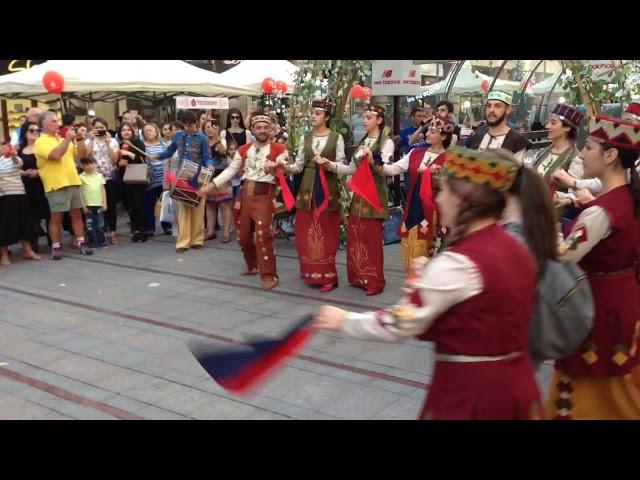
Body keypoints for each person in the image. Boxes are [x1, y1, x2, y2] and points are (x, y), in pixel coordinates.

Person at [313, 146, 542, 419]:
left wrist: (342, 320)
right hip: (518, 387)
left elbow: (401, 322)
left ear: (462, 200)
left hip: (470, 395)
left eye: (443, 190)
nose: (438, 198)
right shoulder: (517, 246)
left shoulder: (459, 262)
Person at [545, 116, 640, 420]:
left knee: (588, 392)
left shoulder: (600, 211)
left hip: (598, 310)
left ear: (610, 156)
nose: (582, 153)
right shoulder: (627, 199)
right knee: (618, 386)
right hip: (622, 303)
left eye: (588, 147)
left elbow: (561, 257)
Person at [199, 113, 287, 290]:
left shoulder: (278, 148)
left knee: (263, 234)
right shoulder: (243, 149)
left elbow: (284, 161)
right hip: (245, 193)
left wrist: (278, 163)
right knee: (243, 235)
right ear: (252, 130)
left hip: (265, 194)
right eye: (258, 127)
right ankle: (252, 263)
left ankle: (269, 274)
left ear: (271, 130)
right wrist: (212, 185)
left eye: (265, 127)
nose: (262, 130)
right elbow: (231, 170)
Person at [274, 98, 346, 292]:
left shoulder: (336, 137)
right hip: (306, 189)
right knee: (305, 233)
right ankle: (309, 271)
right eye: (313, 113)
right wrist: (284, 167)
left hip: (327, 189)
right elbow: (298, 166)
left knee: (327, 232)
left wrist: (329, 165)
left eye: (318, 113)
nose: (313, 116)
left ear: (327, 116)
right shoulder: (306, 138)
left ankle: (328, 275)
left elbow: (341, 164)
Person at [322, 104, 395, 296]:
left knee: (371, 239)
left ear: (379, 120)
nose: (365, 120)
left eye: (369, 117)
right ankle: (357, 276)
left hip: (373, 195)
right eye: (364, 117)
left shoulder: (386, 142)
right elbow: (352, 169)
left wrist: (373, 159)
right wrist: (332, 166)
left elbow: (384, 166)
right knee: (356, 237)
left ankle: (374, 280)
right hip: (359, 196)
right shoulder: (363, 141)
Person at [382, 117, 453, 272]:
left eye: (432, 131)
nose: (427, 133)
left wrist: (435, 177)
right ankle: (414, 281)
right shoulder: (416, 152)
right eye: (428, 130)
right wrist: (378, 165)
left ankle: (423, 282)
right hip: (413, 206)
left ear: (443, 136)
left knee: (426, 248)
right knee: (410, 245)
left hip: (433, 210)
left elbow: (451, 186)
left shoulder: (450, 159)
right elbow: (394, 169)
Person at [34, 110, 93, 259]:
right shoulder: (40, 142)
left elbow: (82, 154)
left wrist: (79, 139)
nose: (57, 123)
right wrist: (67, 140)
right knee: (56, 217)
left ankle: (81, 242)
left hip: (72, 181)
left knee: (77, 214)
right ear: (43, 124)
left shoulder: (61, 139)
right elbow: (55, 155)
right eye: (53, 121)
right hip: (56, 184)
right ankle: (56, 246)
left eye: (57, 120)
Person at [153, 111, 210, 253]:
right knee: (183, 210)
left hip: (198, 176)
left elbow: (207, 156)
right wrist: (158, 156)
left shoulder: (202, 138)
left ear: (196, 123)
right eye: (185, 125)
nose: (188, 128)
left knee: (198, 208)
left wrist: (209, 166)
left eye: (190, 125)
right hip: (182, 175)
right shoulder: (178, 136)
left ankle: (197, 240)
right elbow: (169, 151)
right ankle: (183, 242)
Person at [77, 117, 120, 244]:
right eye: (96, 128)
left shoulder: (112, 141)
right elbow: (86, 156)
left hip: (108, 176)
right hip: (92, 177)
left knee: (110, 205)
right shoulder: (89, 141)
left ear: (106, 128)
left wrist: (107, 143)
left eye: (102, 128)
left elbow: (115, 159)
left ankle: (112, 232)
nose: (99, 130)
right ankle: (98, 233)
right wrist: (90, 139)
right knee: (94, 205)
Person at [0, 143, 41, 265]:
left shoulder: (14, 159)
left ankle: (27, 250)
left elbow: (19, 164)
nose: (6, 149)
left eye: (7, 147)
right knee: (4, 225)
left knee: (24, 222)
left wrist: (13, 155)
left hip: (19, 193)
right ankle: (4, 255)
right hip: (3, 196)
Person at [468, 91, 530, 163]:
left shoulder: (517, 142)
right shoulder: (479, 134)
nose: (491, 110)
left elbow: (516, 172)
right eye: (489, 106)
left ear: (508, 110)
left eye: (497, 106)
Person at [18, 121, 50, 252]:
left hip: (43, 183)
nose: (35, 133)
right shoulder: (19, 149)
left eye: (37, 130)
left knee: (48, 212)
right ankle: (33, 242)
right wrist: (24, 172)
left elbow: (50, 165)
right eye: (31, 130)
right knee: (31, 215)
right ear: (25, 133)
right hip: (26, 185)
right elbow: (12, 167)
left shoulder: (42, 147)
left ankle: (53, 240)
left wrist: (39, 172)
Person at [116, 122, 148, 243]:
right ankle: (135, 230)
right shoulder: (118, 145)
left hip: (137, 178)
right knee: (130, 206)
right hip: (124, 179)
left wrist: (128, 153)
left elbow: (142, 158)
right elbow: (115, 161)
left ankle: (143, 231)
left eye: (128, 130)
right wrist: (119, 163)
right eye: (123, 130)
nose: (126, 132)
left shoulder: (137, 143)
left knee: (139, 205)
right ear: (120, 132)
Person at [202, 119, 232, 242]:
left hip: (221, 177)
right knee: (210, 205)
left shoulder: (223, 142)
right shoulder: (202, 143)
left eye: (212, 126)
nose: (209, 129)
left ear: (218, 128)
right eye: (207, 127)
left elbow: (227, 157)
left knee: (224, 204)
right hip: (207, 177)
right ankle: (210, 231)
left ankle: (226, 232)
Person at [142, 122, 171, 236]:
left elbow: (168, 160)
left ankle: (166, 226)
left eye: (150, 130)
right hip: (150, 178)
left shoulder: (163, 144)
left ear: (155, 131)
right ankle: (150, 227)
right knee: (149, 203)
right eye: (145, 131)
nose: (147, 133)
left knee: (164, 202)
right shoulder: (142, 145)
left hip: (163, 178)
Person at [78, 157, 107, 248]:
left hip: (99, 204)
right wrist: (83, 206)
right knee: (90, 225)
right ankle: (93, 241)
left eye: (91, 163)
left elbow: (102, 190)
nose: (89, 166)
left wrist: (104, 203)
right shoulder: (81, 177)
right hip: (88, 205)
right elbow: (80, 192)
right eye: (86, 164)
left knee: (100, 224)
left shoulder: (99, 176)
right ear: (82, 166)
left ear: (95, 164)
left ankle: (101, 241)